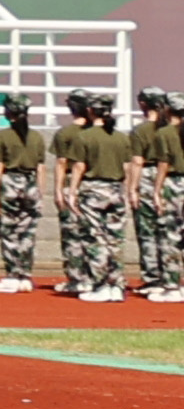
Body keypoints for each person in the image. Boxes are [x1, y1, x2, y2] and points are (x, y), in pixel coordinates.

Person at [57, 92, 133, 301]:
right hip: (116, 190)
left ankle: (100, 285)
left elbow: (79, 167)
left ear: (90, 110)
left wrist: (72, 192)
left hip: (93, 191)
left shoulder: (84, 137)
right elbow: (127, 167)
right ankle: (116, 285)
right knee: (115, 241)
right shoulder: (121, 138)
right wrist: (127, 191)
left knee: (94, 238)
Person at [0, 97, 48, 292]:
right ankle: (25, 275)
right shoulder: (36, 137)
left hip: (9, 184)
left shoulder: (0, 137)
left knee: (9, 232)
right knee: (28, 233)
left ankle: (13, 274)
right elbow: (41, 167)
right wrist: (40, 193)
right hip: (31, 184)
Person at [139, 91, 184, 301]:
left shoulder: (164, 133)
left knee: (171, 238)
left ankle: (173, 286)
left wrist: (156, 191)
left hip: (174, 184)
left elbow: (163, 164)